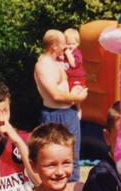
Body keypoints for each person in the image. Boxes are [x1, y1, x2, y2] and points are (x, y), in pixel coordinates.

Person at [34, 29, 88, 182]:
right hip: (54, 113)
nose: (66, 48)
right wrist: (78, 97)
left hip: (69, 112)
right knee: (51, 156)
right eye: (63, 45)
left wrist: (77, 104)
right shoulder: (43, 66)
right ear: (53, 46)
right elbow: (55, 95)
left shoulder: (59, 62)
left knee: (73, 156)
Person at [62, 28, 88, 117]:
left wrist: (69, 55)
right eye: (68, 44)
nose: (70, 46)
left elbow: (73, 64)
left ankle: (78, 108)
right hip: (69, 79)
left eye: (73, 44)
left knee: (73, 94)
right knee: (68, 95)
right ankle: (72, 108)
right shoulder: (64, 54)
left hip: (78, 79)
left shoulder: (77, 54)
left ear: (77, 44)